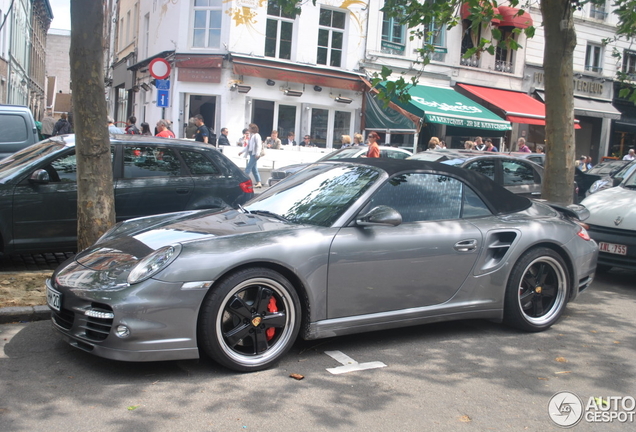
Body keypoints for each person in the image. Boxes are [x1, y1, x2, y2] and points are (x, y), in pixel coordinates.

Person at [244, 123, 263, 188]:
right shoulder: (251, 136)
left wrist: (257, 154)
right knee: (254, 169)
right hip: (252, 153)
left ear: (252, 129)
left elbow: (258, 145)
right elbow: (248, 146)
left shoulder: (257, 136)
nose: (248, 129)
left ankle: (244, 181)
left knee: (248, 168)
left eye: (249, 128)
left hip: (254, 154)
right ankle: (259, 182)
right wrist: (242, 152)